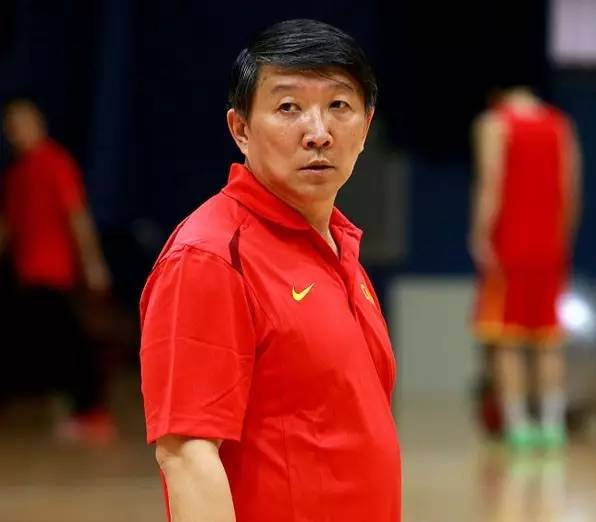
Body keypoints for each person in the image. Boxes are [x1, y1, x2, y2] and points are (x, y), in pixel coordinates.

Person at [139, 19, 400, 522]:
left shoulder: (338, 246)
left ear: (366, 127)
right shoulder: (210, 256)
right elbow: (187, 454)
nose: (318, 133)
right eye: (288, 108)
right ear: (240, 129)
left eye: (338, 106)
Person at [469, 83, 581, 449]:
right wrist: (562, 239)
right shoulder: (561, 125)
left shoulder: (494, 123)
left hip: (509, 242)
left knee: (507, 337)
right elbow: (571, 189)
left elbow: (491, 183)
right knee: (548, 336)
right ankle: (552, 424)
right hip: (550, 243)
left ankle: (517, 425)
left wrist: (480, 233)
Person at [0, 98, 114, 444]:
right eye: (12, 126)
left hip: (54, 274)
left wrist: (93, 264)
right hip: (26, 276)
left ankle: (93, 413)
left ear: (39, 124)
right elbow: (8, 226)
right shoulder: (15, 174)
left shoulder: (55, 163)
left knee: (69, 343)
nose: (18, 132)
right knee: (35, 342)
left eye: (24, 123)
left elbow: (76, 215)